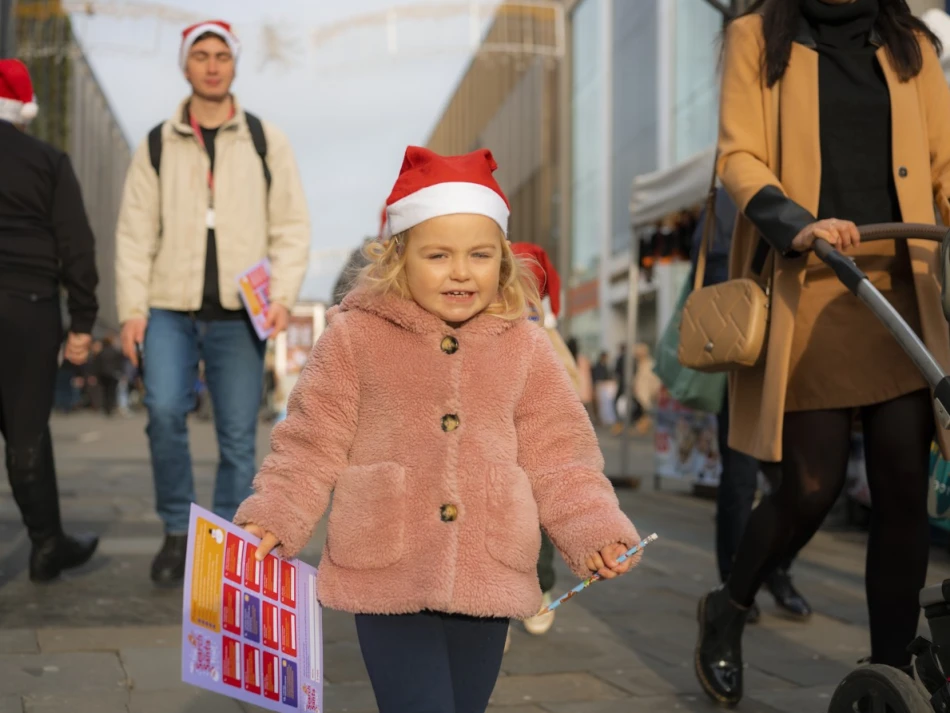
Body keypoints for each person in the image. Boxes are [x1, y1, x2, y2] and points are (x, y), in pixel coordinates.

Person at [235, 146, 642, 713]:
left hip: (489, 568)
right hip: (386, 567)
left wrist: (593, 526)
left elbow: (561, 454)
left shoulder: (523, 344)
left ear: (501, 260)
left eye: (479, 254)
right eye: (438, 255)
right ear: (399, 256)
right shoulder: (355, 337)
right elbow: (310, 441)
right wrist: (277, 513)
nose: (460, 271)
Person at [695, 0, 950, 704]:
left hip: (902, 288)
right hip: (811, 281)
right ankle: (730, 603)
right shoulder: (757, 35)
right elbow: (738, 153)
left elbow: (945, 164)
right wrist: (796, 221)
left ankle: (888, 677)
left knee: (902, 485)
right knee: (811, 485)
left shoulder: (913, 45)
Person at [115, 19, 311, 586]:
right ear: (185, 65)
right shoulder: (156, 141)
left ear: (234, 64)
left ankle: (227, 545)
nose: (211, 64)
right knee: (164, 410)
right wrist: (132, 308)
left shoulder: (263, 138)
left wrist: (284, 296)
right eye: (200, 55)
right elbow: (133, 232)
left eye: (221, 55)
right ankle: (178, 529)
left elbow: (292, 225)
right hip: (167, 308)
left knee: (236, 432)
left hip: (239, 313)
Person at [690, 187, 812, 624]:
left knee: (806, 481)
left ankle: (774, 569)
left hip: (798, 352)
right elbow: (716, 272)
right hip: (745, 355)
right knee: (740, 478)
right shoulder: (729, 195)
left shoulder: (808, 176)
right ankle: (734, 584)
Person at [0, 59, 99, 582]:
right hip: (28, 306)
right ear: (23, 108)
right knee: (27, 431)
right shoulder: (46, 159)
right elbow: (76, 245)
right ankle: (45, 547)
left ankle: (50, 542)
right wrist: (82, 320)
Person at [508, 241, 580, 645]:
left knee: (537, 515)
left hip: (534, 450)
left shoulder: (546, 344)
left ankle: (539, 584)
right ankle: (491, 607)